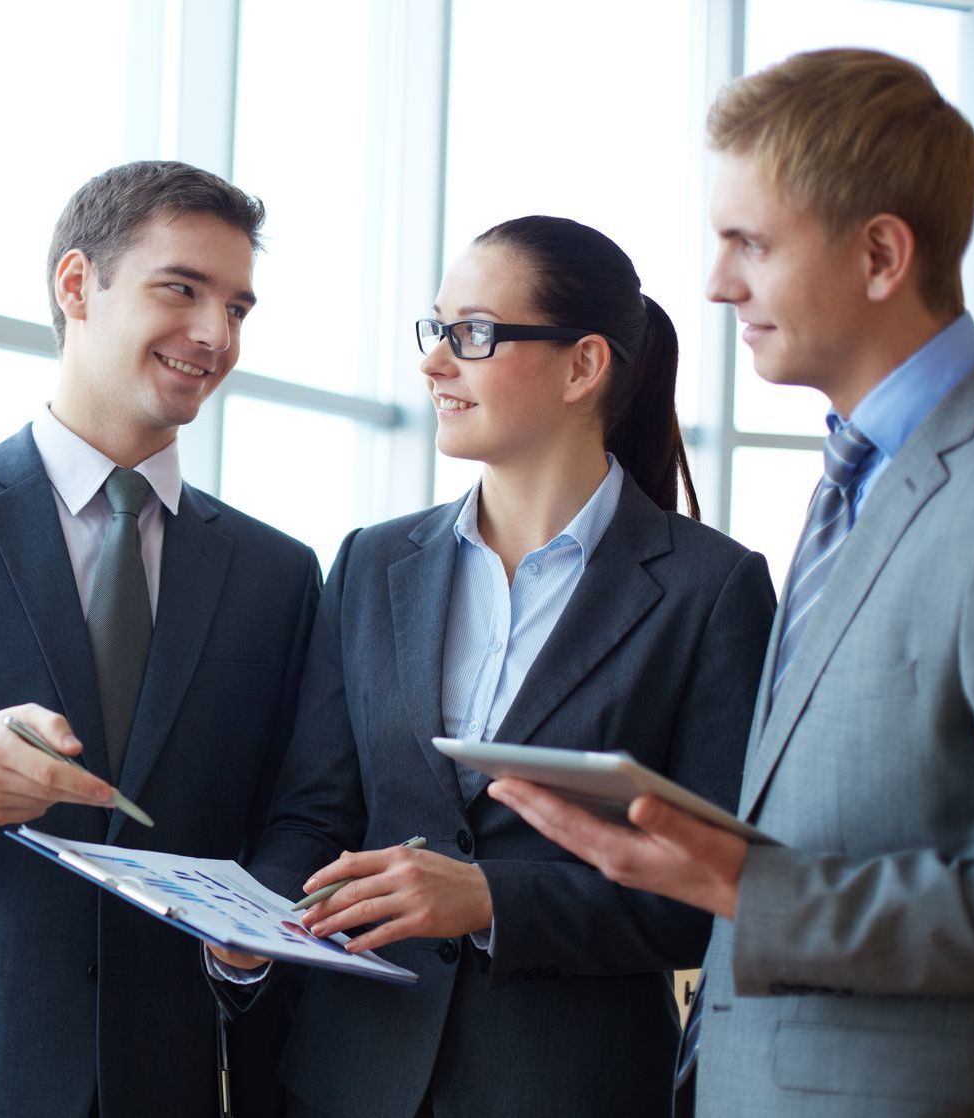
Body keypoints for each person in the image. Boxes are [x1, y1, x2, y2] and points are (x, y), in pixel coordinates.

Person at [490, 48, 974, 1118]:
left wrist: (744, 887)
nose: (713, 284)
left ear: (880, 254)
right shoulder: (854, 472)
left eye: (748, 243)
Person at [212, 215, 775, 1117]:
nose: (436, 363)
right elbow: (315, 813)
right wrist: (249, 925)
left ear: (584, 366)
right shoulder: (370, 562)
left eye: (472, 335)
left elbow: (711, 892)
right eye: (436, 332)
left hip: (569, 1089)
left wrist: (490, 899)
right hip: (346, 1080)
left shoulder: (711, 588)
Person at [0, 161, 320, 1117]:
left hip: (169, 1073)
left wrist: (263, 924)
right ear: (78, 286)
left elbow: (298, 810)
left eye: (238, 307)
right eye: (181, 290)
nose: (216, 334)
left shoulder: (277, 573)